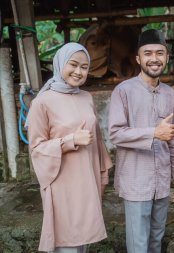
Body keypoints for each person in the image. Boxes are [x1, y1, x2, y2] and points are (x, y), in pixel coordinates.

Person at [27, 42, 112, 253]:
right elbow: (36, 149)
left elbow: (97, 138)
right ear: (60, 64)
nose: (78, 71)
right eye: (73, 64)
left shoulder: (86, 97)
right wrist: (70, 141)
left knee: (83, 244)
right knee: (67, 243)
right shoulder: (42, 102)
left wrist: (103, 172)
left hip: (88, 180)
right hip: (63, 184)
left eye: (84, 67)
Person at [108, 29, 174, 253]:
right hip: (136, 180)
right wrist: (153, 133)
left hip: (161, 181)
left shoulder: (169, 94)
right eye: (148, 53)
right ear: (138, 59)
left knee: (156, 240)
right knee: (138, 245)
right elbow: (115, 134)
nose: (154, 58)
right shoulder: (123, 91)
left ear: (167, 57)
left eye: (160, 53)